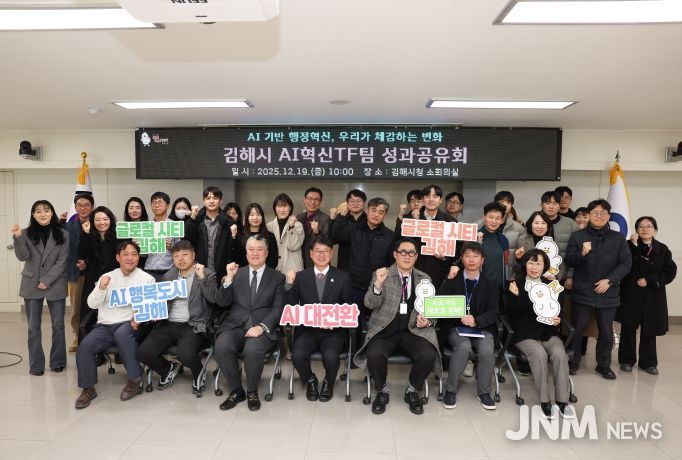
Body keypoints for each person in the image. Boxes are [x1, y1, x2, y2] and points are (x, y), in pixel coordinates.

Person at [353, 238, 440, 416]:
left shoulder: (424, 279)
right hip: (385, 329)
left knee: (428, 354)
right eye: (403, 252)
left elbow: (433, 310)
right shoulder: (382, 274)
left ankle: (412, 390)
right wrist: (378, 284)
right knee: (374, 354)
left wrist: (428, 321)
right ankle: (382, 390)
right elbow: (369, 303)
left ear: (416, 257)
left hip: (413, 330)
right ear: (395, 254)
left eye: (411, 253)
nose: (407, 256)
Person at [74, 241, 155, 409]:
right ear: (118, 258)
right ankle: (88, 388)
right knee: (85, 346)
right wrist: (101, 288)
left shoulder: (147, 279)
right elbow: (91, 304)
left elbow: (152, 307)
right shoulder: (107, 277)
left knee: (121, 334)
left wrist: (140, 319)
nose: (130, 258)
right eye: (126, 254)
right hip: (105, 326)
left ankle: (135, 378)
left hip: (131, 324)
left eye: (134, 254)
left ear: (138, 257)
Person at [213, 235, 286, 411]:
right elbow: (222, 302)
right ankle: (236, 391)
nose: (255, 253)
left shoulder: (277, 277)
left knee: (253, 349)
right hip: (236, 325)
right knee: (222, 345)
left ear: (266, 253)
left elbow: (278, 309)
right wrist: (228, 279)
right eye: (251, 250)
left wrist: (262, 327)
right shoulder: (236, 273)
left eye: (260, 249)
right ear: (246, 254)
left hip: (262, 327)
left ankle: (252, 391)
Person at [137, 240, 217, 393]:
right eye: (176, 256)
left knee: (185, 354)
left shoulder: (207, 273)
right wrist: (156, 313)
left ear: (193, 255)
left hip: (193, 324)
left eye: (185, 254)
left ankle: (199, 373)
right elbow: (162, 301)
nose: (180, 259)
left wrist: (202, 278)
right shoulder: (169, 275)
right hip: (169, 323)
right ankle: (168, 368)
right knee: (143, 352)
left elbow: (214, 299)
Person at [565, 199, 632, 379]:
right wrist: (582, 253)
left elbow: (626, 263)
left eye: (603, 213)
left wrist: (609, 281)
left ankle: (603, 365)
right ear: (589, 215)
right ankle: (573, 361)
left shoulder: (618, 238)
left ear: (609, 216)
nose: (599, 216)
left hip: (608, 291)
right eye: (595, 213)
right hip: (583, 291)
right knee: (577, 330)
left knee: (606, 332)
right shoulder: (578, 236)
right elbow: (569, 259)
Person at [507, 249, 573, 419]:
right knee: (539, 354)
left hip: (548, 331)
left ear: (544, 266)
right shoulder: (515, 283)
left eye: (538, 263)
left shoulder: (551, 284)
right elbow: (512, 314)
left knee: (560, 354)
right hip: (524, 333)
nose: (534, 267)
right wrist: (515, 296)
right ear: (525, 264)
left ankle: (563, 400)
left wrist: (558, 319)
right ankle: (545, 401)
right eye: (531, 263)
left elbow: (556, 309)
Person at [286, 236, 352, 402]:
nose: (321, 255)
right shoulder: (301, 276)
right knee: (297, 355)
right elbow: (291, 305)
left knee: (331, 356)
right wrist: (289, 284)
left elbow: (349, 307)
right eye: (317, 251)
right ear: (311, 254)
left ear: (331, 254)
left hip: (333, 331)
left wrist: (334, 321)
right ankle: (310, 380)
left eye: (325, 251)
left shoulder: (343, 277)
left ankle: (328, 383)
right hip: (307, 330)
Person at [438, 242, 499, 411]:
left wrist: (476, 321)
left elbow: (494, 312)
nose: (471, 259)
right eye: (467, 255)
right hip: (456, 328)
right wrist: (448, 279)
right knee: (463, 347)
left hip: (482, 328)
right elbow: (440, 303)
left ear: (482, 260)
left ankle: (484, 392)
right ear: (462, 259)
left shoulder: (490, 283)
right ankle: (450, 390)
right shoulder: (453, 279)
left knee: (487, 350)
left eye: (476, 256)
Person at [12, 200, 70, 376]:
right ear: (33, 215)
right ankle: (36, 365)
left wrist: (47, 280)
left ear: (52, 213)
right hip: (31, 283)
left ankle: (58, 361)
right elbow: (23, 256)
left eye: (46, 210)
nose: (42, 214)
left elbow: (62, 262)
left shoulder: (63, 234)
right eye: (38, 211)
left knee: (58, 325)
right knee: (33, 327)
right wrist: (17, 237)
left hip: (56, 282)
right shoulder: (25, 233)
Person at [331, 197, 394, 353]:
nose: (376, 215)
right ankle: (354, 351)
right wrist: (341, 216)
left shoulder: (389, 235)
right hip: (353, 285)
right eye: (373, 210)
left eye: (381, 212)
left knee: (376, 323)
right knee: (354, 323)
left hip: (376, 288)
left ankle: (370, 352)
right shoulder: (353, 228)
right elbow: (334, 237)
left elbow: (391, 263)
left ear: (385, 215)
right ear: (367, 210)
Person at [617, 216, 677, 375]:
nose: (645, 229)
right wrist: (634, 246)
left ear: (655, 230)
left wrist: (650, 281)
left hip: (652, 295)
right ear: (636, 230)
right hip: (631, 293)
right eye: (641, 226)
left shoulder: (662, 249)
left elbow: (670, 272)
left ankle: (648, 362)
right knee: (628, 327)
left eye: (649, 226)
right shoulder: (629, 245)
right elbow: (624, 265)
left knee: (649, 328)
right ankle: (626, 360)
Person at [394, 185, 458, 290]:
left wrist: (446, 257)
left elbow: (458, 249)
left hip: (440, 273)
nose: (431, 199)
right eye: (428, 196)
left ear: (441, 200)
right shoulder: (409, 219)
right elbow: (398, 242)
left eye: (435, 196)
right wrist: (415, 223)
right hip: (412, 272)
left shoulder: (450, 221)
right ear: (423, 200)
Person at [186, 186, 241, 285]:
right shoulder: (197, 220)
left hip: (222, 273)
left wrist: (234, 237)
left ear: (221, 201)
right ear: (203, 201)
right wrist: (192, 219)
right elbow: (188, 241)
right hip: (200, 271)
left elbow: (233, 251)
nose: (211, 201)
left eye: (215, 198)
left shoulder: (228, 222)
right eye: (208, 198)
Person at [78, 205, 121, 330]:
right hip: (93, 276)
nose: (102, 223)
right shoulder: (88, 235)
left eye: (105, 219)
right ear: (93, 221)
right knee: (90, 309)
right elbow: (83, 254)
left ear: (111, 220)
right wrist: (86, 234)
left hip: (114, 278)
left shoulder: (118, 236)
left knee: (113, 309)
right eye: (98, 220)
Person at [65, 192, 94, 351]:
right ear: (75, 207)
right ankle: (78, 337)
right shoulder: (68, 226)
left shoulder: (98, 223)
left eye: (86, 205)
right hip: (75, 274)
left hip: (95, 272)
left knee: (94, 307)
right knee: (76, 309)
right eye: (79, 205)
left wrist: (87, 262)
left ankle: (94, 337)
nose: (83, 208)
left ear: (92, 207)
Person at [540, 191, 578, 289]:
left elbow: (576, 252)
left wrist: (570, 275)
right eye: (548, 203)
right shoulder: (535, 223)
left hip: (563, 276)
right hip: (538, 275)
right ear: (541, 205)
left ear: (559, 205)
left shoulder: (570, 224)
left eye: (555, 203)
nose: (551, 206)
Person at [266, 193, 304, 275]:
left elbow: (293, 246)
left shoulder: (298, 225)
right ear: (275, 208)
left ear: (290, 207)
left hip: (293, 270)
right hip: (274, 270)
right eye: (279, 206)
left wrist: (291, 227)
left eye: (285, 206)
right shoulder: (269, 226)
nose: (282, 210)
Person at [329, 189, 367, 271]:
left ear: (364, 203)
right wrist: (340, 218)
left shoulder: (369, 220)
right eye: (352, 201)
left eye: (359, 201)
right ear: (347, 203)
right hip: (345, 265)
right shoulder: (341, 218)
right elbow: (333, 239)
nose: (355, 204)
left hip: (364, 266)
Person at [143, 192, 176, 282]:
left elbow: (180, 249)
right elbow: (143, 254)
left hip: (169, 270)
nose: (157, 205)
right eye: (154, 203)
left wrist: (171, 247)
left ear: (167, 205)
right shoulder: (147, 226)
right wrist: (138, 246)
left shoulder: (174, 225)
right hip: (149, 270)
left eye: (160, 202)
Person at [477, 202, 510, 293]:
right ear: (484, 217)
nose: (494, 221)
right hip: (480, 288)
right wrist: (478, 243)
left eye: (498, 218)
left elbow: (506, 265)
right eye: (491, 217)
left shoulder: (503, 239)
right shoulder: (475, 236)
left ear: (501, 220)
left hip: (499, 288)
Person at [296, 187, 330, 269]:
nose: (312, 202)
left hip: (317, 261)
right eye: (310, 198)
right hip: (299, 261)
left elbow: (328, 243)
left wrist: (317, 232)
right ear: (304, 200)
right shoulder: (299, 217)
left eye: (316, 199)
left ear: (320, 201)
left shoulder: (325, 219)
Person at [241, 203, 279, 269]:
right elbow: (238, 258)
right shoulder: (241, 236)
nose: (255, 217)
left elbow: (274, 260)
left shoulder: (270, 236)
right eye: (252, 215)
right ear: (247, 217)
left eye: (258, 214)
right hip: (245, 273)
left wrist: (260, 271)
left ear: (262, 217)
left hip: (266, 273)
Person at [123, 196, 149, 268]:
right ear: (127, 210)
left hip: (145, 264)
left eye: (138, 208)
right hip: (127, 263)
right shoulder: (123, 228)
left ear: (142, 210)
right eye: (131, 208)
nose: (134, 210)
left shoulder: (149, 227)